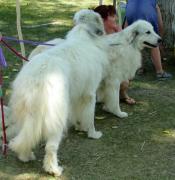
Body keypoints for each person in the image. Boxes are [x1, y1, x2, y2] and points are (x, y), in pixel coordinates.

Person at [94, 5, 136, 105]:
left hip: (113, 66)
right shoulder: (95, 33)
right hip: (98, 69)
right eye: (112, 16)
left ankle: (122, 94)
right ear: (103, 19)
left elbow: (125, 52)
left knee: (125, 79)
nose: (116, 19)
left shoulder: (117, 31)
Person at [125, 0, 172, 80]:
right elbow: (160, 24)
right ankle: (160, 72)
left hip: (130, 13)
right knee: (153, 42)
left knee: (138, 40)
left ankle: (139, 68)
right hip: (146, 13)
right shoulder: (153, 2)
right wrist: (160, 38)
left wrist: (127, 31)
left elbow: (127, 17)